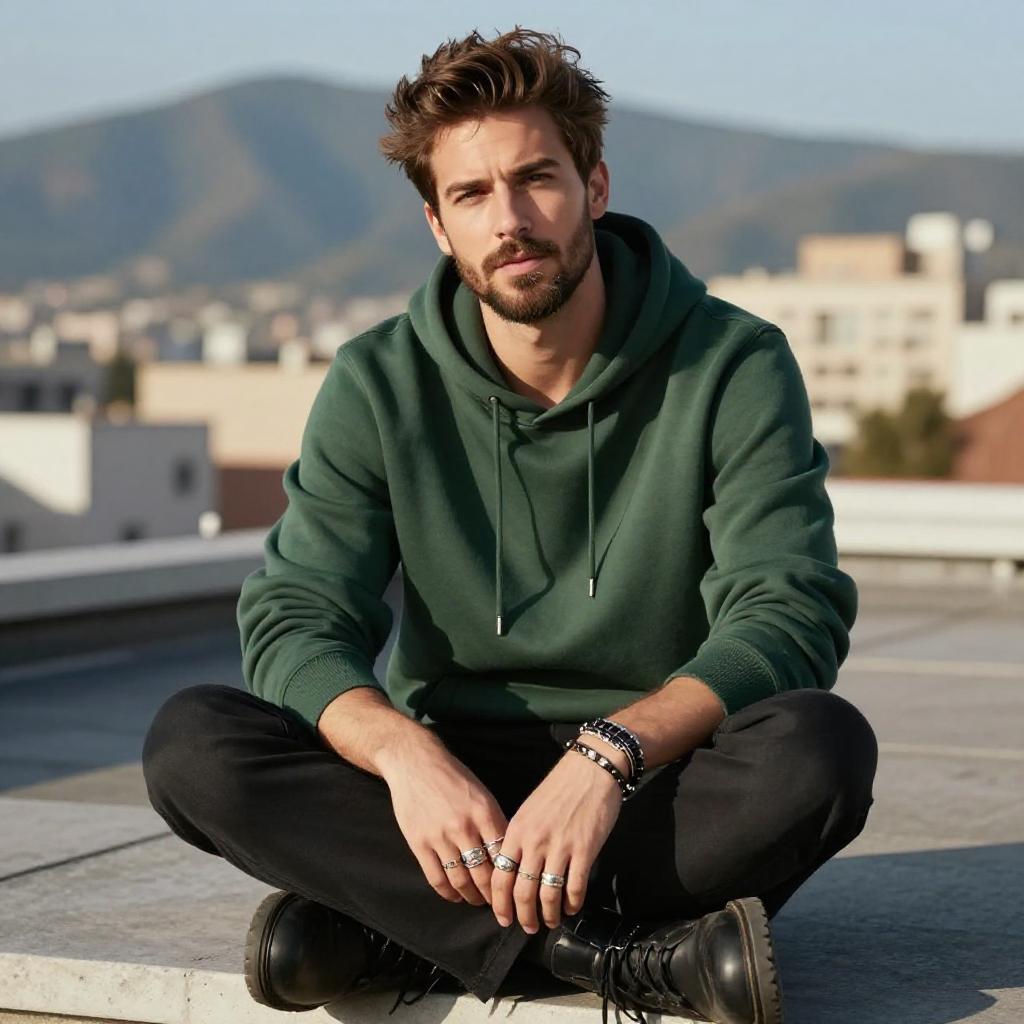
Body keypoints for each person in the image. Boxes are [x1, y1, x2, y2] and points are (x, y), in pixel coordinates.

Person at [141, 26, 878, 1024]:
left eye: (536, 179)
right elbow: (295, 614)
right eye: (471, 195)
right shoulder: (378, 381)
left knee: (818, 752)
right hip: (450, 786)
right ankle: (620, 952)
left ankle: (393, 928)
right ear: (438, 226)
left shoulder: (730, 365)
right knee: (193, 744)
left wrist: (608, 754)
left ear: (596, 184)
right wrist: (405, 755)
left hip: (648, 781)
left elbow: (786, 610)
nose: (511, 220)